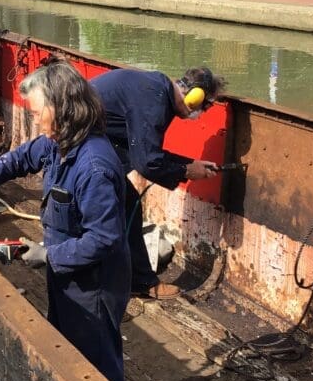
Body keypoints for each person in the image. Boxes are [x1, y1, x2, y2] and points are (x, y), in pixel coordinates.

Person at [0, 61, 130, 381]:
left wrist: (50, 255)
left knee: (96, 359)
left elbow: (103, 238)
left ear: (63, 109)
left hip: (93, 282)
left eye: (39, 111)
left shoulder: (93, 167)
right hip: (67, 271)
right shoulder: (58, 142)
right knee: (65, 344)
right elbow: (22, 157)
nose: (35, 119)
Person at [91, 66, 225, 300]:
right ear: (195, 96)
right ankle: (102, 293)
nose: (201, 113)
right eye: (205, 105)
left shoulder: (155, 89)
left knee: (128, 202)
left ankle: (138, 281)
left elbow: (145, 151)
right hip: (78, 149)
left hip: (89, 143)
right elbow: (147, 163)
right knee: (111, 208)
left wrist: (189, 164)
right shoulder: (154, 100)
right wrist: (185, 170)